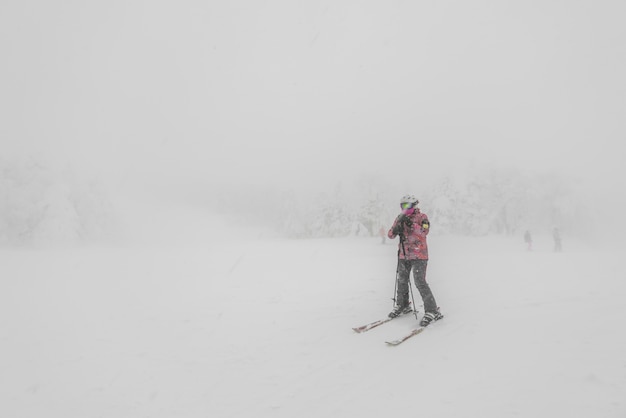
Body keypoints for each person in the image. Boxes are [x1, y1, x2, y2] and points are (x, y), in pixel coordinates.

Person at [387, 195, 443, 327]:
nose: (405, 209)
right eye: (402, 206)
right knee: (402, 281)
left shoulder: (422, 217)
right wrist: (396, 228)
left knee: (420, 282)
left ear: (414, 206)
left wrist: (411, 224)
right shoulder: (399, 217)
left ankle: (432, 310)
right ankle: (403, 305)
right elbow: (390, 235)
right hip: (404, 255)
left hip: (419, 255)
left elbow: (424, 232)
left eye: (407, 206)